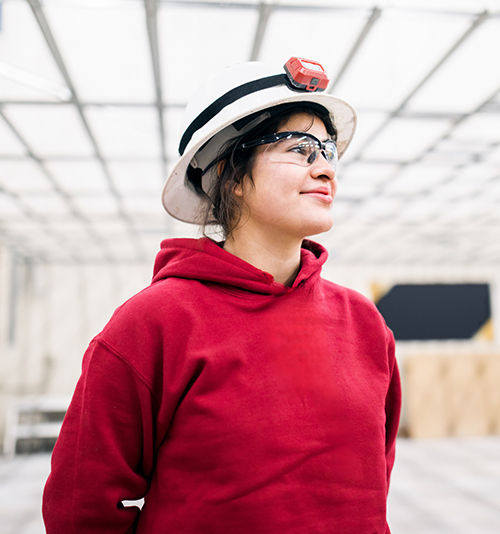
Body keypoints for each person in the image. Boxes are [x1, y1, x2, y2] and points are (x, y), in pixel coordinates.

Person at [43, 57, 401, 534]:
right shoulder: (154, 322)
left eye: (328, 151)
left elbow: (372, 482)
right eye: (299, 148)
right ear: (230, 175)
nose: (325, 170)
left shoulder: (363, 322)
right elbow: (80, 511)